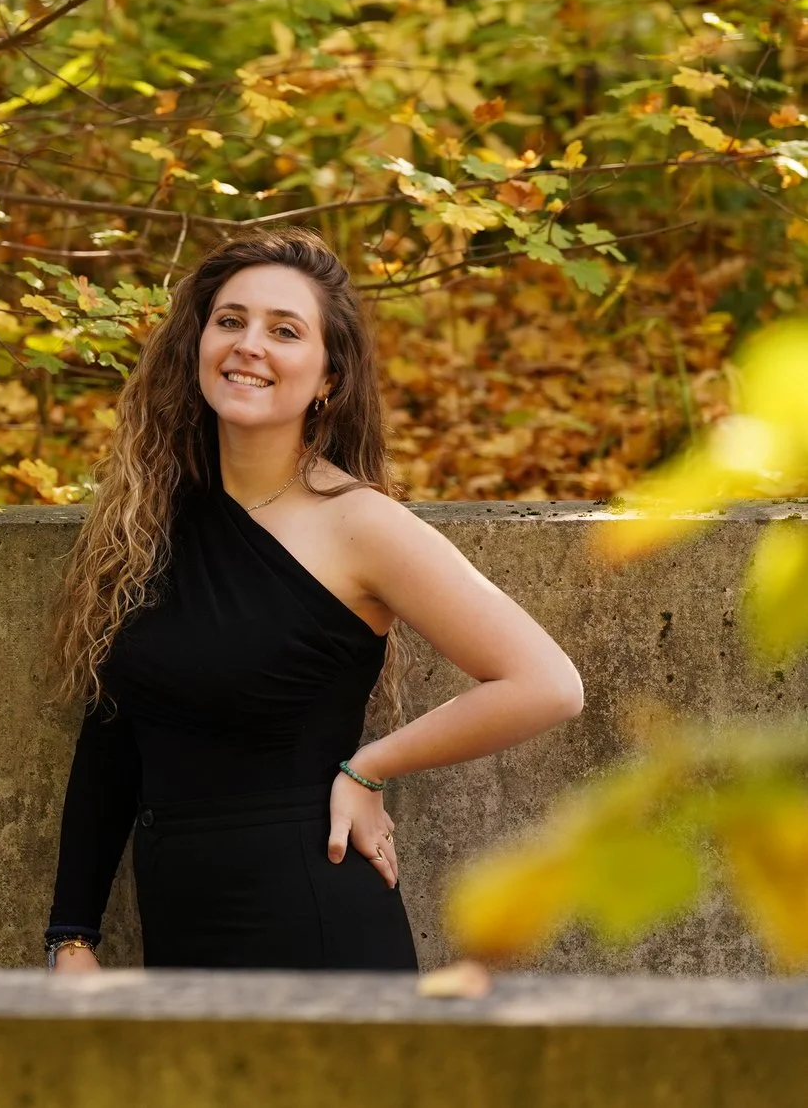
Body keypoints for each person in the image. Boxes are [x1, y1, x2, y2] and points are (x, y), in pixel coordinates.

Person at [43, 229, 583, 972]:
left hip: (314, 923)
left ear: (328, 376)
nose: (248, 344)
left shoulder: (359, 523)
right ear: (196, 342)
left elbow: (547, 684)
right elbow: (113, 735)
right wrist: (71, 936)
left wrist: (371, 767)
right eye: (230, 320)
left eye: (285, 330)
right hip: (181, 935)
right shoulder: (147, 521)